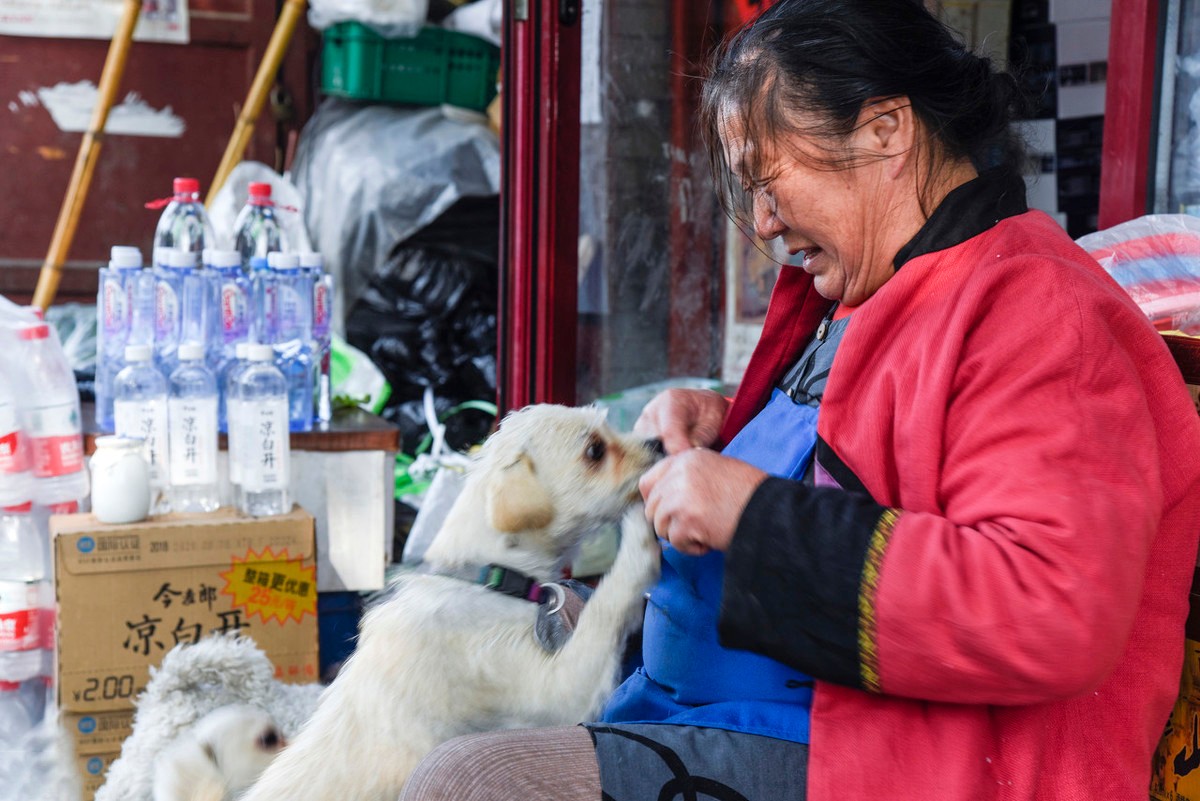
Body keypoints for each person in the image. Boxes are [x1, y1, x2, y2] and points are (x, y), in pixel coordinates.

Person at [399, 0, 1200, 798]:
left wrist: (752, 514)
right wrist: (726, 433)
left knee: (473, 780)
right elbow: (883, 458)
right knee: (438, 662)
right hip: (727, 705)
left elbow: (1050, 609)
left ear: (885, 130)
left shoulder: (1040, 312)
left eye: (766, 179)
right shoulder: (876, 292)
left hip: (892, 763)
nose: (763, 222)